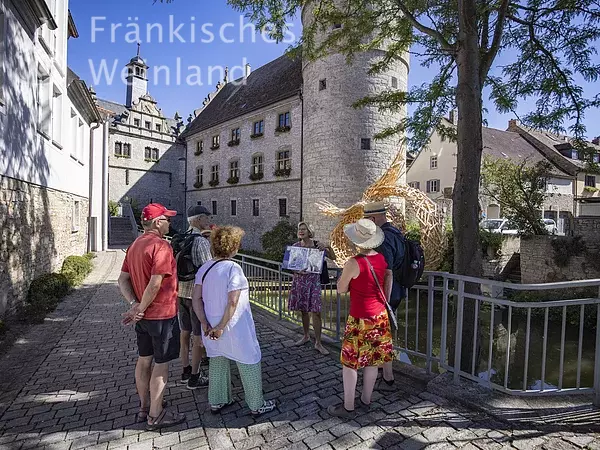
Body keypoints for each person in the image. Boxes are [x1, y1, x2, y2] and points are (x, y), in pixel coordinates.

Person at [191, 226, 276, 416]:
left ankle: (217, 400)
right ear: (234, 247)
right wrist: (221, 326)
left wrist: (204, 322)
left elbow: (196, 298)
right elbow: (233, 300)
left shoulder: (204, 268)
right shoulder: (233, 268)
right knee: (249, 359)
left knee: (218, 361)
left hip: (210, 326)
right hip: (234, 327)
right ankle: (256, 404)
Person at [118, 203, 186, 431]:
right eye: (167, 219)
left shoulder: (135, 245)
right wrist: (140, 307)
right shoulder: (161, 247)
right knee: (161, 365)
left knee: (144, 360)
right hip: (161, 315)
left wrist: (134, 305)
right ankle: (155, 416)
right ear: (158, 222)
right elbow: (156, 282)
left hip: (143, 319)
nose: (170, 223)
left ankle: (144, 406)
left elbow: (122, 279)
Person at [328, 219, 395, 418]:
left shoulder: (353, 263)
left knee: (350, 363)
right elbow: (387, 279)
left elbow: (340, 289)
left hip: (360, 319)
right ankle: (366, 400)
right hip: (380, 317)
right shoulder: (381, 259)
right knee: (373, 361)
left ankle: (348, 407)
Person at [363, 201, 405, 386]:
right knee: (384, 334)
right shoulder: (396, 233)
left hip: (385, 295)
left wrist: (384, 303)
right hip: (397, 289)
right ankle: (384, 371)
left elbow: (387, 272)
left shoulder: (382, 238)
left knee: (379, 335)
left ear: (373, 218)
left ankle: (385, 375)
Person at [177, 205, 213, 389]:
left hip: (180, 292)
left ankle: (185, 369)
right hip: (195, 297)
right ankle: (195, 376)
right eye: (207, 218)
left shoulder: (181, 237)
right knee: (198, 336)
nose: (209, 221)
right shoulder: (200, 241)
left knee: (184, 333)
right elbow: (208, 269)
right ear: (199, 220)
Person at [287, 222, 335, 355]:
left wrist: (327, 246)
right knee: (303, 310)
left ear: (309, 232)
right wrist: (296, 271)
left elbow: (333, 257)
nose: (301, 231)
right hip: (300, 281)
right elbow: (288, 265)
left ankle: (318, 343)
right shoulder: (295, 246)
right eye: (299, 229)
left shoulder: (317, 246)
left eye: (304, 229)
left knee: (316, 312)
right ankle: (306, 335)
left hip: (313, 283)